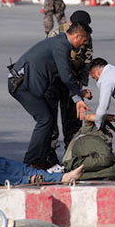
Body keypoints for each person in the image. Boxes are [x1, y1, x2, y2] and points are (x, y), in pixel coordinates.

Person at [8, 23, 90, 170]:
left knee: (47, 120)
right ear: (77, 36)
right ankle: (31, 161)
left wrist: (78, 93)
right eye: (83, 40)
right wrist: (77, 99)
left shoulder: (59, 42)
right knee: (45, 120)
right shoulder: (61, 45)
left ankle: (39, 159)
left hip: (30, 85)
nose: (84, 44)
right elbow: (66, 75)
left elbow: (61, 76)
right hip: (22, 85)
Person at [46, 10, 94, 152]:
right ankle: (50, 152)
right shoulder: (56, 34)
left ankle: (72, 152)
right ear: (71, 24)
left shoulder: (86, 36)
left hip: (72, 82)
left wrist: (80, 84)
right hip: (55, 80)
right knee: (50, 120)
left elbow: (87, 61)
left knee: (72, 121)